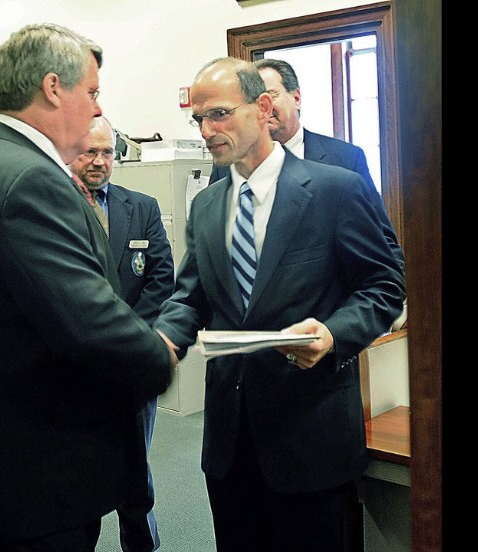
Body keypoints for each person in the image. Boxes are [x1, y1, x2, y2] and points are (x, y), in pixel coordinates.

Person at [0, 23, 179, 552]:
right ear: (52, 87)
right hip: (29, 481)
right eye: (92, 92)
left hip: (8, 470)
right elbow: (88, 322)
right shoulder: (27, 178)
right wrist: (159, 355)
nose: (95, 108)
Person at [153, 57, 405, 552]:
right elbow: (191, 296)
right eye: (198, 119)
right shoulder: (207, 205)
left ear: (263, 108)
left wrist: (333, 334)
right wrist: (161, 342)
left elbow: (383, 285)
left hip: (310, 433)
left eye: (219, 114)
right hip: (229, 441)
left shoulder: (336, 189)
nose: (207, 130)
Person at [68, 116, 174, 552]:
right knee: (82, 472)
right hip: (78, 366)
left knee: (136, 471)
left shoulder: (142, 207)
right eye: (89, 152)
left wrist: (127, 338)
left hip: (131, 364)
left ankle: (142, 544)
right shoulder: (55, 207)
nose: (99, 162)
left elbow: (161, 278)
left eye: (107, 152)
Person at [208, 57, 404, 277]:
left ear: (296, 98)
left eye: (270, 95)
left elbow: (384, 249)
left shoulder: (346, 160)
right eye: (252, 101)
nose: (263, 108)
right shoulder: (227, 168)